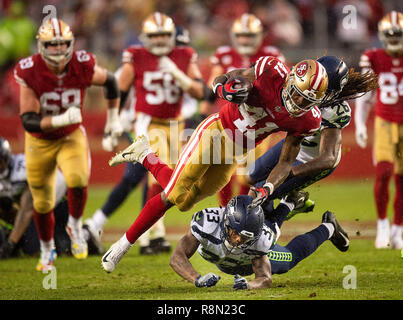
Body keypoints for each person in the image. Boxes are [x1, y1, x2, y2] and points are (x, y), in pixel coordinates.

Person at [101, 56, 329, 273]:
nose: (300, 102)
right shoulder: (270, 71)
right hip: (214, 133)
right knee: (173, 193)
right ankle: (123, 245)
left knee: (184, 202)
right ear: (290, 81)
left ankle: (145, 155)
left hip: (235, 154)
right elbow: (229, 77)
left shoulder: (309, 119)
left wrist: (268, 187)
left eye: (308, 100)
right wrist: (223, 89)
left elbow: (287, 160)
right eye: (298, 95)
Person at [14, 18, 123, 271]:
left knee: (77, 179)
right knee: (41, 203)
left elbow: (111, 82)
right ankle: (45, 250)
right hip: (40, 141)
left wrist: (113, 121)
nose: (58, 49)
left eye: (63, 44)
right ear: (42, 46)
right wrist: (61, 118)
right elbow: (29, 121)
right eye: (52, 45)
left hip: (70, 136)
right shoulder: (30, 70)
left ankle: (74, 225)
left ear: (71, 44)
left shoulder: (81, 65)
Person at [84, 24, 200, 255]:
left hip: (164, 125)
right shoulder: (140, 61)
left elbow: (189, 101)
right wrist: (115, 122)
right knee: (144, 176)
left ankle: (102, 225)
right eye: (178, 44)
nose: (177, 49)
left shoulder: (176, 63)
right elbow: (116, 88)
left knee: (142, 177)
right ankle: (147, 235)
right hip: (139, 123)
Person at [248, 55, 378, 220]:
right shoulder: (300, 85)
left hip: (309, 160)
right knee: (250, 176)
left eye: (321, 88)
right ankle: (290, 202)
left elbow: (328, 159)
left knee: (258, 192)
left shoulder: (334, 111)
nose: (313, 90)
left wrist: (292, 172)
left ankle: (283, 213)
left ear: (332, 92)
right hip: (293, 144)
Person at [170, 194, 349, 290]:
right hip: (226, 263)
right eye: (235, 233)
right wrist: (197, 279)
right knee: (269, 217)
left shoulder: (261, 238)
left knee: (287, 259)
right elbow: (177, 256)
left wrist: (248, 284)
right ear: (226, 222)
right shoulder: (207, 223)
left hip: (247, 264)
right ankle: (289, 203)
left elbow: (265, 278)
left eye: (246, 237)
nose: (239, 240)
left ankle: (329, 227)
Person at [201, 13, 286, 207]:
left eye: (249, 35)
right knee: (222, 168)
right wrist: (202, 113)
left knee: (249, 172)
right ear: (234, 36)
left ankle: (241, 210)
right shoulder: (224, 54)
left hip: (258, 122)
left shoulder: (270, 54)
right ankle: (225, 210)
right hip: (228, 120)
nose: (245, 40)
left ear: (259, 35)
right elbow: (211, 88)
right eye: (241, 36)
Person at [0, 137, 101, 259]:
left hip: (59, 201)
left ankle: (86, 235)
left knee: (55, 249)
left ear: (6, 158)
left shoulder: (22, 169)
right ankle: (16, 238)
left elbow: (27, 208)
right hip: (37, 210)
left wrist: (11, 243)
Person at [354, 11, 403, 249]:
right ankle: (383, 224)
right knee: (384, 173)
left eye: (398, 34)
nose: (394, 38)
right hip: (384, 122)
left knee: (402, 179)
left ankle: (398, 229)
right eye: (390, 34)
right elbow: (365, 96)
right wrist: (361, 123)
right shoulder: (373, 56)